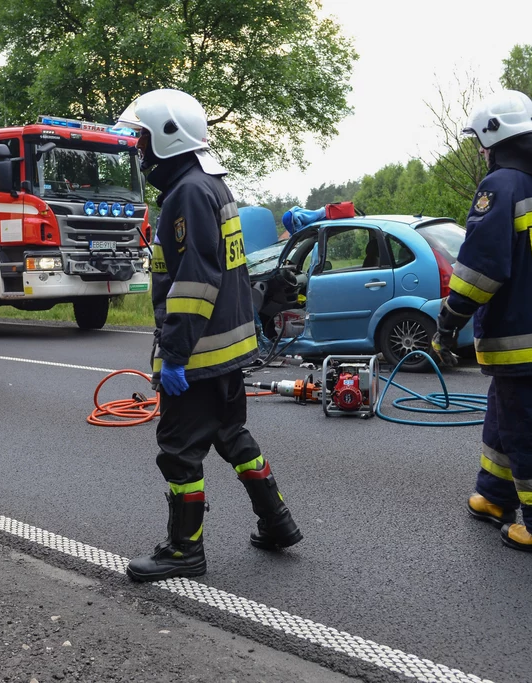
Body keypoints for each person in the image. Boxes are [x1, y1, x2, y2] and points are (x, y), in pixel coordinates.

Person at [116, 89, 302, 582]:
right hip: (229, 349)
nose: (137, 147)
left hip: (198, 353)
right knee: (231, 434)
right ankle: (278, 522)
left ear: (165, 136)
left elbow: (196, 281)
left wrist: (174, 354)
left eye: (141, 137)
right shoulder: (212, 185)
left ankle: (184, 552)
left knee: (179, 452)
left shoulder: (187, 193)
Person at [432, 89, 532, 557]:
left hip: (516, 335)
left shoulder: (500, 187)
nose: (480, 153)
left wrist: (448, 321)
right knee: (506, 410)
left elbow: (481, 269)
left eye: (480, 143)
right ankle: (495, 498)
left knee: (530, 424)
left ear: (495, 139)